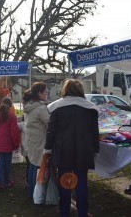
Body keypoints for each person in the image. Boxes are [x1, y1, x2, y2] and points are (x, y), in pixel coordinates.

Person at [44, 79, 99, 217]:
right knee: (82, 183)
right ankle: (82, 213)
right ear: (80, 90)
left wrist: (48, 149)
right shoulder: (90, 108)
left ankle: (64, 213)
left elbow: (51, 131)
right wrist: (96, 149)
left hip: (63, 151)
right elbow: (94, 131)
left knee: (65, 182)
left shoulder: (57, 107)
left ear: (65, 89)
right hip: (84, 150)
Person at [23, 82, 50, 199]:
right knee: (39, 168)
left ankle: (31, 192)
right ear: (39, 93)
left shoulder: (30, 105)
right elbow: (51, 125)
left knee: (33, 166)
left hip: (31, 140)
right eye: (45, 92)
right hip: (40, 141)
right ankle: (37, 195)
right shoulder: (41, 108)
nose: (47, 93)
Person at [0, 97, 21, 190]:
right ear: (10, 106)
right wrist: (16, 144)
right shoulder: (11, 116)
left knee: (1, 162)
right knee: (7, 163)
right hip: (7, 143)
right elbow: (14, 132)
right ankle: (5, 181)